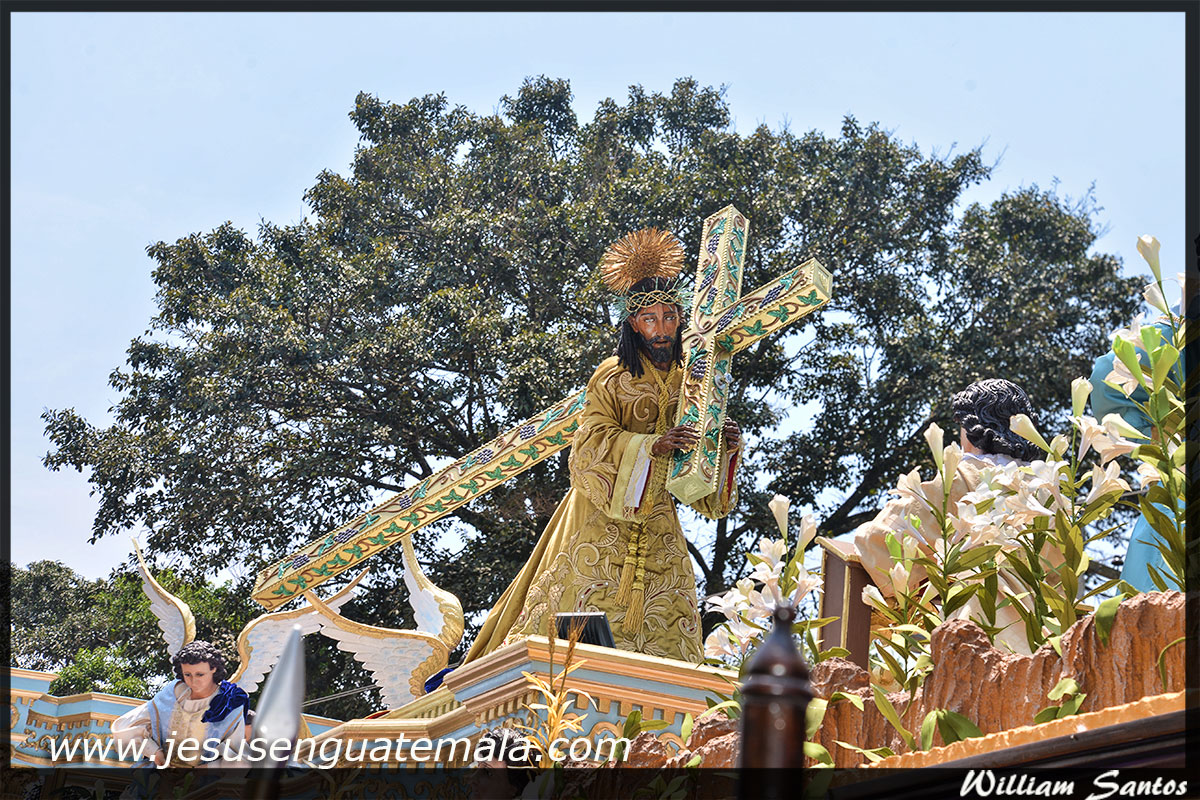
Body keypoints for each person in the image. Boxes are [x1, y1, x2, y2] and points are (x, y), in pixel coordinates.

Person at [462, 228, 742, 665]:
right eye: (650, 319)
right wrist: (650, 447)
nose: (662, 329)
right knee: (576, 617)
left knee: (668, 635)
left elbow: (700, 486)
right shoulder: (611, 375)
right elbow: (588, 445)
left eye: (670, 317)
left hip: (658, 525)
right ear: (633, 324)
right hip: (598, 517)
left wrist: (722, 447)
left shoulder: (692, 383)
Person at [820, 379, 1046, 655]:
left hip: (976, 629)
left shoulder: (962, 477)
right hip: (1046, 636)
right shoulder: (1047, 489)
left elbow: (878, 540)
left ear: (972, 429)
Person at [111, 640, 249, 767]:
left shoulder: (229, 703)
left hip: (203, 780)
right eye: (187, 674)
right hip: (158, 773)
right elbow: (124, 726)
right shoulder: (171, 693)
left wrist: (206, 769)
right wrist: (155, 752)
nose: (193, 681)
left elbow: (238, 756)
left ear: (213, 669)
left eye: (200, 674)